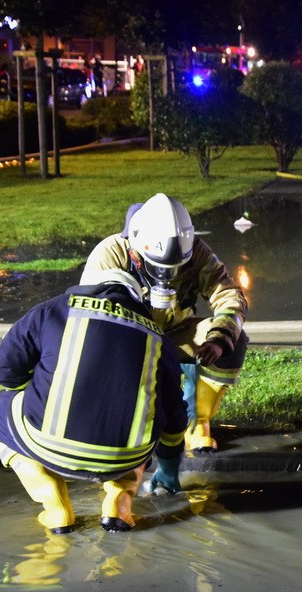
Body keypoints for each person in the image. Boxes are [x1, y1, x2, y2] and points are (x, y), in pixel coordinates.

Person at [0, 269, 188, 533]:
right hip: (125, 458)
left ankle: (53, 502)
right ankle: (120, 502)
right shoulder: (159, 339)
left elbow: (3, 371)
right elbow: (174, 417)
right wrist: (170, 471)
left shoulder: (53, 310)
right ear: (137, 301)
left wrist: (39, 380)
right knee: (148, 419)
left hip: (47, 446)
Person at [81, 193, 249, 487]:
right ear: (136, 246)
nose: (167, 277)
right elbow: (91, 315)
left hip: (177, 330)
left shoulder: (197, 251)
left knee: (234, 344)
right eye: (158, 267)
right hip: (127, 336)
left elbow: (228, 295)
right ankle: (125, 433)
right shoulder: (111, 253)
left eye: (175, 268)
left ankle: (198, 421)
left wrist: (218, 339)